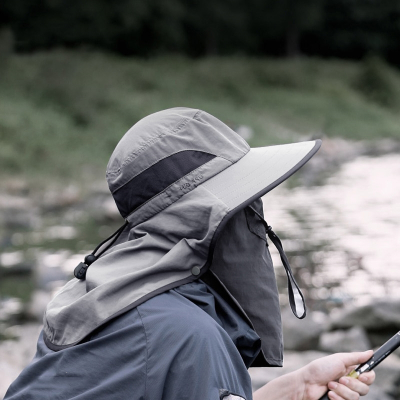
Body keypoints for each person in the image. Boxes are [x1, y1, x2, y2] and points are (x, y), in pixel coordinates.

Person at [4, 108, 375, 400]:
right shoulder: (189, 336)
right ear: (209, 220)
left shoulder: (103, 293)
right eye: (248, 206)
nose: (258, 222)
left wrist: (294, 389)